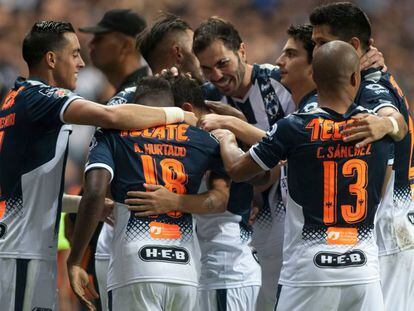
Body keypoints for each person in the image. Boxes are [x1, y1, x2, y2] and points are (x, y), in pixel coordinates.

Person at [0, 21, 195, 311]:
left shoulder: (15, 99)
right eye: (75, 53)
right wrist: (176, 113)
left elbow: (26, 191)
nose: (81, 62)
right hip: (22, 250)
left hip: (20, 244)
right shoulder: (39, 97)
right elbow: (111, 116)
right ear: (51, 59)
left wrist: (79, 204)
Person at [214, 40, 393, 311]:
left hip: (310, 271)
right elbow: (382, 190)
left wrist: (227, 136)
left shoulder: (294, 127)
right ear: (355, 78)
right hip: (364, 271)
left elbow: (238, 171)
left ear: (314, 77)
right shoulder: (377, 130)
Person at [66, 75, 229, 311]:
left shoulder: (112, 134)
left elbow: (94, 191)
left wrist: (75, 259)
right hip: (185, 270)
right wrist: (176, 201)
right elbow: (219, 200)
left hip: (135, 265)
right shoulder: (204, 140)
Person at [308, 2, 413, 309]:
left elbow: (393, 119)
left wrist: (386, 123)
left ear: (354, 45)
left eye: (322, 43)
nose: (317, 52)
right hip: (391, 226)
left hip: (389, 231)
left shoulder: (370, 86)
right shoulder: (365, 77)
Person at [79, 8, 149, 94]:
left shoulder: (141, 95)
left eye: (99, 39)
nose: (91, 44)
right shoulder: (139, 90)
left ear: (126, 46)